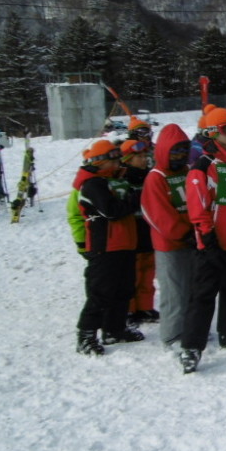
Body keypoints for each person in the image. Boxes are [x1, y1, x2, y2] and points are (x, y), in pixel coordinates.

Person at [179, 108, 226, 373]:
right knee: (203, 296)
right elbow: (198, 208)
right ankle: (191, 347)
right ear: (212, 133)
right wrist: (207, 238)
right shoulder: (203, 167)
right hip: (212, 243)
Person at [72, 140, 144, 355]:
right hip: (105, 246)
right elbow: (112, 210)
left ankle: (115, 329)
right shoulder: (92, 184)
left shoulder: (115, 179)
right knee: (100, 292)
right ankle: (86, 334)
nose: (117, 162)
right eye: (112, 159)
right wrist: (136, 198)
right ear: (100, 161)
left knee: (124, 288)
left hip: (125, 243)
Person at [142, 124, 194, 350]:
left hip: (193, 238)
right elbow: (158, 214)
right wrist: (182, 232)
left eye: (183, 152)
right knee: (174, 291)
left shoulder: (188, 171)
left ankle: (192, 328)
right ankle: (172, 335)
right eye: (175, 152)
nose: (180, 157)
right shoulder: (156, 178)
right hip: (170, 245)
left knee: (192, 288)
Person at [119, 139, 158, 325]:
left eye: (145, 156)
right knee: (131, 275)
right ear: (127, 159)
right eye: (139, 157)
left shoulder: (149, 176)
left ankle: (145, 307)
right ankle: (128, 310)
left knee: (148, 272)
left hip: (148, 231)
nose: (144, 160)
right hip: (131, 232)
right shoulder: (122, 179)